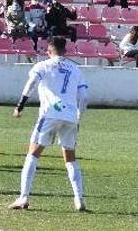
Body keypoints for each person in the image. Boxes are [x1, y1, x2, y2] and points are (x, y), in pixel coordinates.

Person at [9, 37, 90, 211]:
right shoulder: (76, 69)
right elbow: (83, 97)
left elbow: (31, 84)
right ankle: (79, 198)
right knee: (70, 158)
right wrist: (78, 117)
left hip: (50, 114)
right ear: (65, 51)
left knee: (33, 154)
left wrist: (20, 106)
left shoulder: (42, 66)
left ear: (48, 51)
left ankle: (23, 198)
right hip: (70, 117)